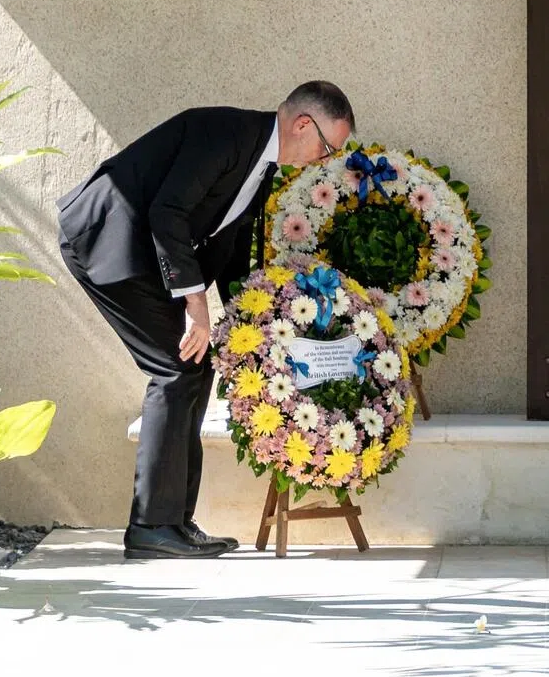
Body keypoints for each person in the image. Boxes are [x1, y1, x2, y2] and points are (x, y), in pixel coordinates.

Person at [58, 81, 355, 559]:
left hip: (145, 254)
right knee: (175, 368)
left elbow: (229, 244)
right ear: (304, 124)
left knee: (198, 366)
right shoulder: (226, 132)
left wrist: (252, 317)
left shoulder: (263, 165)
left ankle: (173, 522)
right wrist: (196, 304)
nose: (324, 159)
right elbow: (167, 212)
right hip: (105, 240)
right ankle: (152, 526)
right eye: (326, 148)